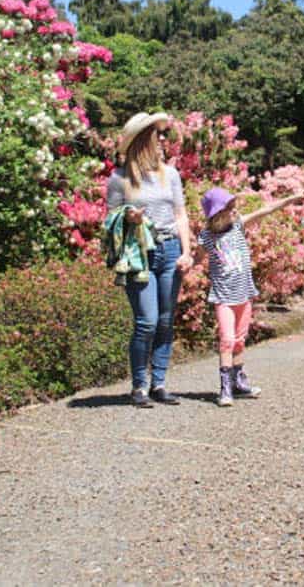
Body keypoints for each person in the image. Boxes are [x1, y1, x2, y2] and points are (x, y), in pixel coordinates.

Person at [105, 112, 194, 407]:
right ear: (143, 141)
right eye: (156, 136)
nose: (161, 141)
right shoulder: (119, 179)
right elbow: (110, 220)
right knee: (147, 321)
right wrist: (128, 217)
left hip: (169, 251)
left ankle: (159, 383)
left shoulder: (170, 174)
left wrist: (186, 251)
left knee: (166, 321)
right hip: (138, 255)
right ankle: (138, 386)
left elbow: (180, 214)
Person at [198, 187, 303, 407]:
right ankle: (225, 388)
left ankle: (239, 382)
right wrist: (181, 265)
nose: (235, 210)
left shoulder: (238, 225)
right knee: (227, 340)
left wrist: (291, 199)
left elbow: (266, 210)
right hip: (224, 297)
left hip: (244, 294)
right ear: (218, 213)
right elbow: (196, 259)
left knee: (239, 340)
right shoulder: (207, 237)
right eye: (230, 207)